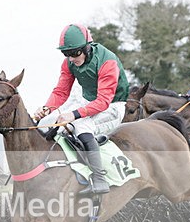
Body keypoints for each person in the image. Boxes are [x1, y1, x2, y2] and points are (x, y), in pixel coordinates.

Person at [33, 24, 130, 194]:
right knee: (55, 123)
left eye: (75, 53)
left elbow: (103, 101)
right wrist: (47, 109)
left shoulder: (107, 61)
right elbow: (61, 92)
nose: (71, 58)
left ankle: (100, 179)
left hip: (113, 106)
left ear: (87, 47)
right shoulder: (68, 64)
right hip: (90, 104)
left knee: (81, 126)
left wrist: (74, 114)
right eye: (66, 54)